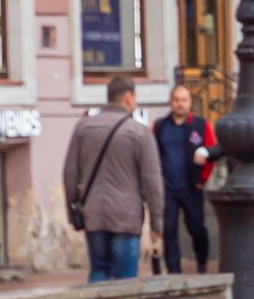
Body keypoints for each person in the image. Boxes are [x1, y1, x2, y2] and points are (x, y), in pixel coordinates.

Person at [63, 75, 165, 282]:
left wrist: (73, 212)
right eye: (135, 97)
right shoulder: (139, 132)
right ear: (128, 97)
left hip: (94, 214)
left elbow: (70, 173)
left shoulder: (83, 127)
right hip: (126, 217)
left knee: (98, 272)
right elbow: (152, 181)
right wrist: (157, 222)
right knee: (125, 279)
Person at [152, 85, 217, 274]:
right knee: (169, 229)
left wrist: (203, 178)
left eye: (184, 100)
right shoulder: (160, 126)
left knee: (196, 228)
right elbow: (152, 155)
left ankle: (202, 262)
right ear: (170, 102)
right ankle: (174, 270)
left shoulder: (200, 125)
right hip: (167, 187)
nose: (180, 104)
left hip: (191, 186)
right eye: (176, 100)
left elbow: (212, 152)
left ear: (190, 103)